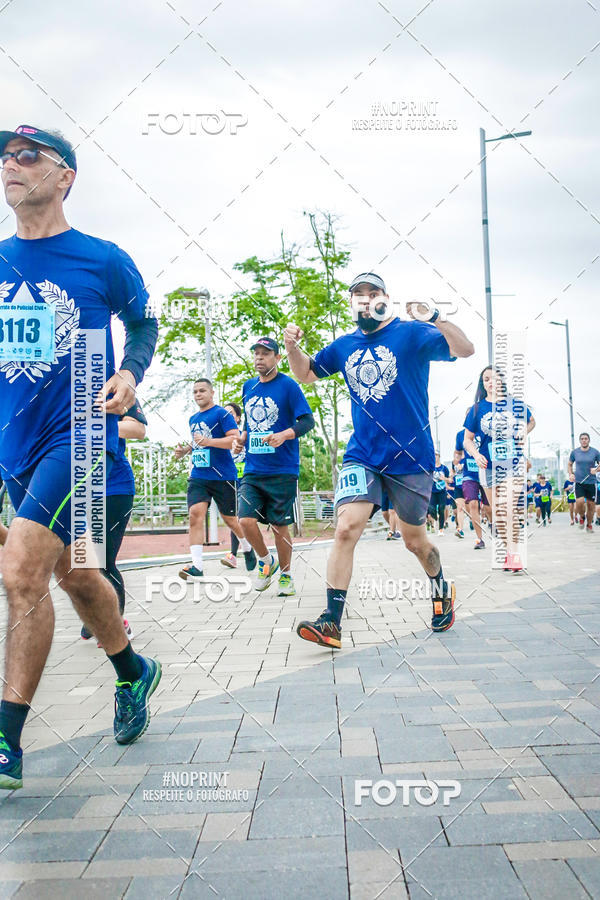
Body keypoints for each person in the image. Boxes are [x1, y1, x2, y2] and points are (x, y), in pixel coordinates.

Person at [0, 125, 160, 789]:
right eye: (5, 156)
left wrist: (130, 373)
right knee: (73, 575)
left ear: (65, 176)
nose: (11, 163)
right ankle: (133, 671)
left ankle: (6, 741)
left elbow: (145, 321)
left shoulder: (102, 259)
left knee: (20, 572)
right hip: (15, 444)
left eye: (28, 155)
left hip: (82, 437)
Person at [284, 272, 474, 646]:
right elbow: (305, 373)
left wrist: (435, 316)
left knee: (414, 540)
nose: (366, 299)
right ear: (352, 303)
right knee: (345, 528)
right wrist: (292, 345)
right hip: (363, 454)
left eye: (373, 293)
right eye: (359, 294)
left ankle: (439, 588)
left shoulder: (411, 333)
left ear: (385, 298)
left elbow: (465, 349)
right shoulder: (344, 346)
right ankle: (331, 622)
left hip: (411, 456)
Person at [233, 338, 315, 596]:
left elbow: (307, 420)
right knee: (245, 520)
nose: (259, 358)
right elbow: (249, 425)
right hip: (254, 468)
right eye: (256, 354)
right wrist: (241, 441)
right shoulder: (248, 387)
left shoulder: (289, 386)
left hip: (282, 468)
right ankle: (265, 560)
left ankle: (286, 575)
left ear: (278, 358)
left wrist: (285, 435)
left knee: (279, 526)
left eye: (266, 354)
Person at [80, 400, 147, 644]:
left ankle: (116, 624)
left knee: (104, 559)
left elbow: (138, 429)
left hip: (115, 487)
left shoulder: (114, 387)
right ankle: (95, 615)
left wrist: (99, 425)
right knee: (83, 559)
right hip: (79, 489)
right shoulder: (59, 386)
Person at [176, 379, 252, 581]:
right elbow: (198, 443)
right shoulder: (193, 418)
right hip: (199, 475)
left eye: (202, 390)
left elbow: (234, 440)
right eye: (194, 392)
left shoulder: (222, 414)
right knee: (195, 515)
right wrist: (185, 450)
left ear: (211, 393)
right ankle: (197, 566)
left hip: (223, 475)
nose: (198, 394)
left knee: (230, 520)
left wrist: (208, 441)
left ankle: (247, 548)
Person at [463, 366, 535, 572]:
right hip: (488, 466)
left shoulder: (515, 405)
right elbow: (468, 440)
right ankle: (509, 552)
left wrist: (523, 432)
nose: (491, 382)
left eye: (494, 378)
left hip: (513, 463)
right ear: (482, 383)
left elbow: (531, 422)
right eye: (486, 379)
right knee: (497, 513)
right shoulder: (477, 409)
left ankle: (514, 555)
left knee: (507, 508)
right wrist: (476, 455)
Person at [220, 402, 257, 570]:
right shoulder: (222, 438)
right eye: (224, 414)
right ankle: (235, 554)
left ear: (238, 417)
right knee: (233, 519)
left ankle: (248, 551)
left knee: (242, 519)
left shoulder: (245, 435)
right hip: (229, 481)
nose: (227, 417)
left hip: (246, 481)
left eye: (230, 414)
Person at [455, 422, 487, 550]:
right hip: (469, 475)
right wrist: (456, 462)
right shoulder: (460, 435)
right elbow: (457, 453)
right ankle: (479, 539)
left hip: (485, 472)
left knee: (489, 508)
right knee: (473, 504)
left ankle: (493, 524)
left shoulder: (485, 431)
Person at [568, 433, 600, 533]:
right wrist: (571, 474)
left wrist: (596, 470)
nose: (584, 440)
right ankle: (582, 517)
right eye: (582, 439)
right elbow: (569, 464)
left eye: (586, 439)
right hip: (579, 482)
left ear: (589, 440)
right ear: (580, 441)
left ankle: (589, 525)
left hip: (591, 483)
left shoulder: (595, 452)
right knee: (579, 502)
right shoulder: (575, 452)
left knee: (591, 506)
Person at [429, 452, 449, 536]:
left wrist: (445, 480)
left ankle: (441, 529)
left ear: (439, 456)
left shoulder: (444, 468)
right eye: (433, 455)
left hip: (442, 491)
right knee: (431, 509)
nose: (435, 457)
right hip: (432, 491)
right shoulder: (430, 468)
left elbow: (448, 480)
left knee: (441, 508)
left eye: (436, 455)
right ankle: (436, 519)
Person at [451, 459, 466, 538]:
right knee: (460, 508)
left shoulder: (468, 457)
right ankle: (460, 529)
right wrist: (450, 477)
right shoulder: (454, 461)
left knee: (471, 508)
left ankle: (472, 521)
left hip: (468, 484)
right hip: (458, 487)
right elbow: (452, 473)